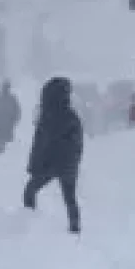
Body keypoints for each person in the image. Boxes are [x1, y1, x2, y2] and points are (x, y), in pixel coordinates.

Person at [24, 76, 83, 234]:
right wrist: (74, 162)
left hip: (49, 165)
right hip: (68, 165)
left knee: (30, 190)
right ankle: (75, 228)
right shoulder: (71, 117)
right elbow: (78, 144)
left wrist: (34, 166)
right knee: (70, 198)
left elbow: (40, 145)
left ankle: (28, 222)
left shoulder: (48, 116)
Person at [0, 79, 22, 154]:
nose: (5, 89)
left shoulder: (12, 99)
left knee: (5, 139)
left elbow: (17, 111)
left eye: (7, 87)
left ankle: (5, 153)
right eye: (4, 87)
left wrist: (14, 121)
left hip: (8, 124)